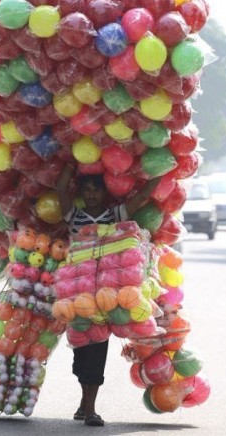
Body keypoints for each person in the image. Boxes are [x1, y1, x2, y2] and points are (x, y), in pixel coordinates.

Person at [56, 163, 160, 426]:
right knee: (81, 351)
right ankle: (84, 402)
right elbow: (60, 189)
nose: (91, 195)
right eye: (87, 191)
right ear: (82, 193)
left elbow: (141, 198)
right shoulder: (74, 216)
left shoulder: (115, 215)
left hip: (107, 296)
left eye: (96, 191)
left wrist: (159, 173)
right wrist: (72, 161)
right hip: (77, 295)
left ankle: (90, 409)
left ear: (104, 193)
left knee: (97, 347)